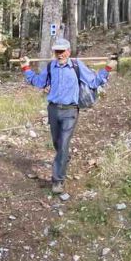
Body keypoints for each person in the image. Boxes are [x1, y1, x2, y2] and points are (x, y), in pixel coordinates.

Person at [19, 38, 117, 194]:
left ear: (68, 52)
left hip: (70, 111)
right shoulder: (51, 67)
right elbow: (38, 82)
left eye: (62, 51)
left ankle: (58, 180)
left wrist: (107, 68)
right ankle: (63, 158)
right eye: (57, 52)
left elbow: (93, 82)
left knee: (64, 143)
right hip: (53, 110)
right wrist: (26, 68)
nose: (60, 55)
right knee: (57, 143)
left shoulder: (77, 66)